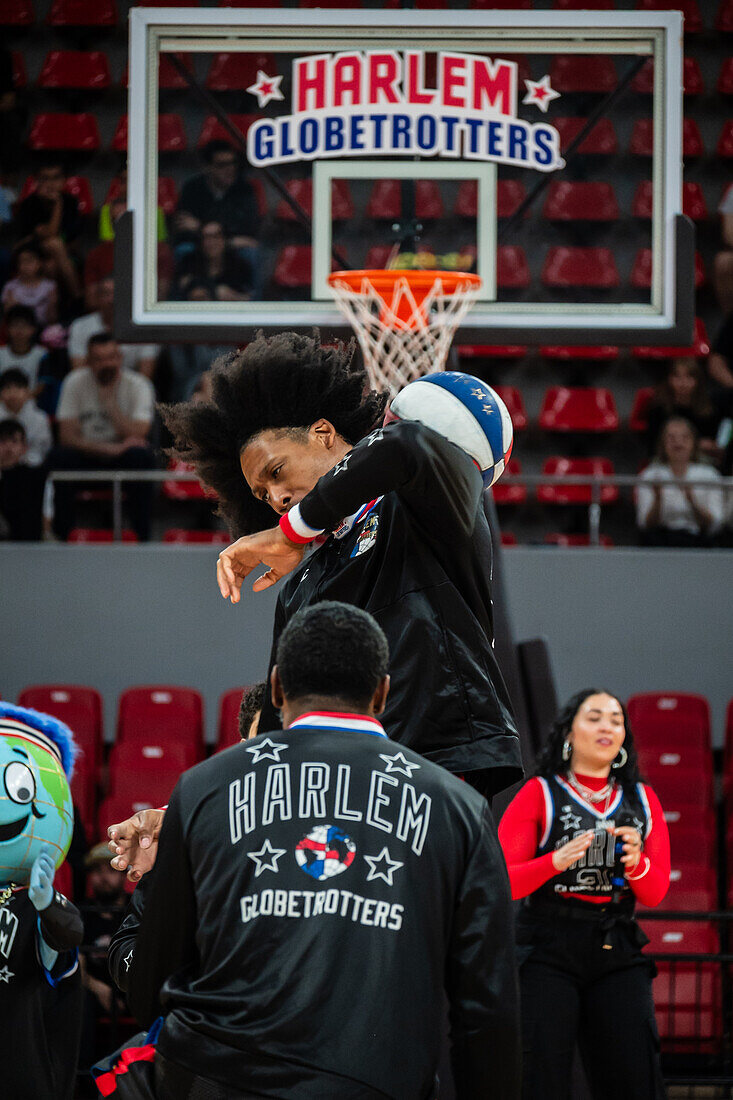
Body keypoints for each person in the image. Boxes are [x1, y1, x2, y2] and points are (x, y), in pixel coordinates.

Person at [109, 601, 521, 1100]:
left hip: (215, 1079)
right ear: (383, 692)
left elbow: (151, 983)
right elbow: (488, 1011)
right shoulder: (459, 807)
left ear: (278, 686)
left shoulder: (199, 790)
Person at [164, 333, 520, 795]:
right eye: (263, 496)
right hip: (345, 782)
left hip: (444, 756)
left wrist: (292, 530)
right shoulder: (299, 586)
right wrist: (186, 820)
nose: (277, 499)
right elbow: (278, 727)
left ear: (324, 434)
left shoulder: (421, 498)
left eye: (276, 473)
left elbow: (405, 443)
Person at [498, 689, 670, 1100]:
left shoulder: (643, 799)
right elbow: (501, 880)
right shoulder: (540, 792)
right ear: (569, 733)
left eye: (616, 719)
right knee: (539, 1076)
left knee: (635, 1077)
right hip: (546, 945)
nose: (607, 726)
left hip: (616, 942)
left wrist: (635, 863)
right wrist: (554, 862)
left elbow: (656, 892)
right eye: (594, 717)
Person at [49, 332, 156, 541]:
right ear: (88, 361)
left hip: (123, 458)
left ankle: (143, 537)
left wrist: (110, 404)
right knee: (59, 457)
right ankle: (62, 536)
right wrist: (108, 449)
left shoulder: (139, 384)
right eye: (99, 359)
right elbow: (66, 436)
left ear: (120, 358)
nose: (107, 364)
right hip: (87, 455)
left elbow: (140, 432)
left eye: (111, 357)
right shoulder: (74, 382)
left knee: (141, 457)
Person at [79, 843, 128, 1082]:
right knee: (78, 999)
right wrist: (99, 989)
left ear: (123, 872)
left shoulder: (138, 909)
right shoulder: (81, 912)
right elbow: (74, 961)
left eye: (109, 870)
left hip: (133, 988)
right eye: (96, 872)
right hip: (95, 991)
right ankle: (85, 1080)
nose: (102, 878)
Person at [636, 416, 725, 546]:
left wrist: (692, 502)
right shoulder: (650, 475)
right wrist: (658, 499)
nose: (678, 443)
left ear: (693, 443)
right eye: (671, 438)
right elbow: (645, 524)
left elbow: (715, 524)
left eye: (685, 438)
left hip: (697, 539)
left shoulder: (710, 475)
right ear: (663, 443)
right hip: (660, 539)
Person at [13, 160, 82, 300]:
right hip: (31, 252)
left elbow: (73, 240)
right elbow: (49, 234)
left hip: (63, 254)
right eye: (45, 178)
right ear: (37, 181)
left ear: (63, 180)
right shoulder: (29, 204)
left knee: (52, 265)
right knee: (53, 243)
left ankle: (57, 314)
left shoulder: (71, 202)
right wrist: (57, 204)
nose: (50, 183)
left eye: (55, 178)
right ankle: (78, 297)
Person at [68, 277, 159, 379]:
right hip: (91, 389)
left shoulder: (144, 328)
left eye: (117, 294)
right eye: (106, 294)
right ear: (97, 298)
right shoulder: (80, 326)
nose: (111, 299)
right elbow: (79, 373)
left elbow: (145, 377)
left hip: (130, 390)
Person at [645, 357, 721, 460]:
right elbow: (653, 446)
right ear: (669, 379)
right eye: (677, 377)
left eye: (689, 377)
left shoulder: (710, 409)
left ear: (698, 381)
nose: (683, 383)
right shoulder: (658, 409)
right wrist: (696, 444)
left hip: (702, 460)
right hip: (666, 460)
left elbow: (717, 445)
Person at [173, 220, 252, 302]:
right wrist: (214, 290)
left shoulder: (239, 265)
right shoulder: (189, 262)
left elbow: (249, 297)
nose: (211, 242)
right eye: (206, 237)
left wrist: (235, 297)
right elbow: (183, 288)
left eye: (216, 237)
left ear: (224, 240)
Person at [0, 417, 47, 539]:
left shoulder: (36, 478)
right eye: (3, 441)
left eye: (14, 441)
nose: (8, 447)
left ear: (24, 447)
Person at [0, 367, 52, 466]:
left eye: (18, 387)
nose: (13, 393)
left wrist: (19, 458)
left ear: (28, 391)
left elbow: (42, 449)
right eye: (7, 388)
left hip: (29, 466)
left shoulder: (40, 418)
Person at [1, 241, 58, 326]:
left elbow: (52, 320)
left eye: (29, 261)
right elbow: (7, 318)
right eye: (21, 262)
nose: (25, 266)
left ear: (39, 263)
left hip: (42, 329)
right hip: (18, 331)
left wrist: (52, 305)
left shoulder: (50, 287)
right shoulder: (10, 287)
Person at [0, 304, 48, 389]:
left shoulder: (42, 354)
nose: (19, 331)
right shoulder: (1, 353)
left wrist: (25, 398)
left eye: (24, 326)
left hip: (31, 400)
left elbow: (43, 384)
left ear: (33, 329)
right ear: (7, 329)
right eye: (15, 325)